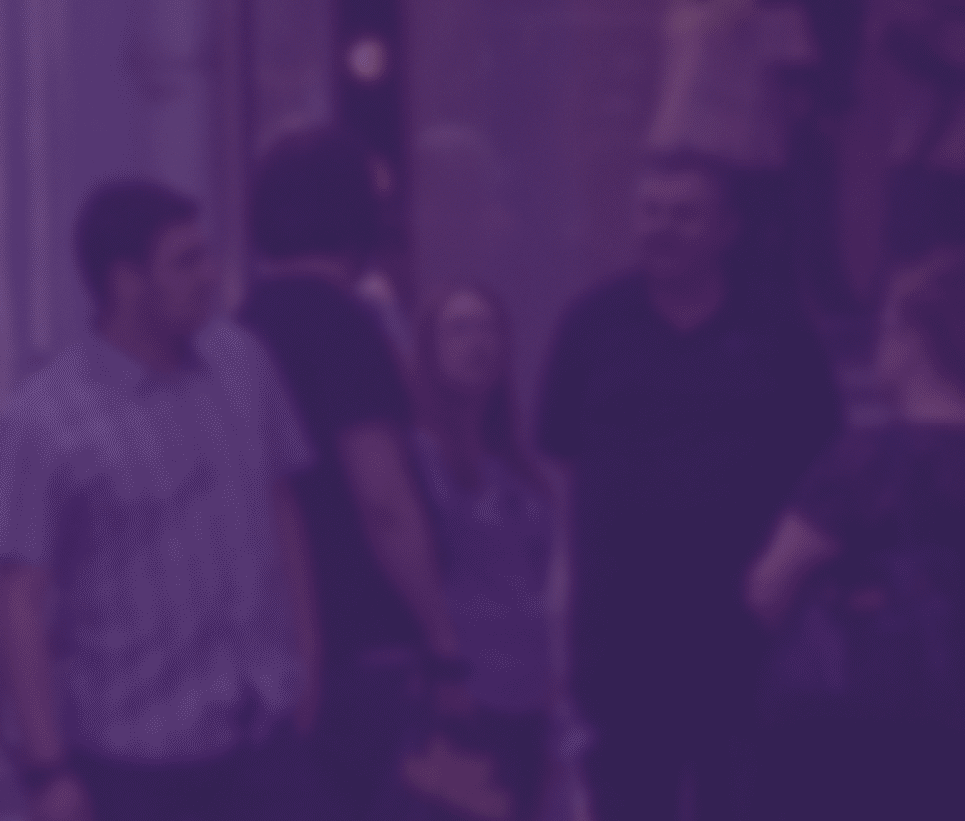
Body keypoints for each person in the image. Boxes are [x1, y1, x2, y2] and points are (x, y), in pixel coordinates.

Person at [0, 178, 321, 821]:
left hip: (262, 730)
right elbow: (19, 600)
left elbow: (282, 512)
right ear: (126, 281)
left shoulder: (243, 364)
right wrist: (47, 768)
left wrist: (305, 664)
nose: (211, 276)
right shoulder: (42, 419)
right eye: (186, 261)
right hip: (135, 755)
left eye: (207, 254)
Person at [534, 156, 844, 821]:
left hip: (744, 630)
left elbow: (825, 466)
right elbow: (559, 460)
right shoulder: (591, 323)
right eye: (649, 211)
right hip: (620, 636)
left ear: (727, 229)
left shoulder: (778, 330)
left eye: (684, 214)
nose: (661, 228)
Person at [744, 251, 965, 821]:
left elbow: (769, 589)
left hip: (868, 751)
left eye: (886, 325)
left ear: (917, 340)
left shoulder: (864, 464)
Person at [236, 126, 471, 812]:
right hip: (364, 635)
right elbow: (383, 499)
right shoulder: (344, 327)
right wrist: (441, 636)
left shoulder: (236, 329)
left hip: (272, 637)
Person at [407, 285, 563, 818]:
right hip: (460, 698)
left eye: (489, 327)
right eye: (459, 328)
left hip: (530, 697)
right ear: (429, 348)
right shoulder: (418, 457)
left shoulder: (518, 469)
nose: (478, 341)